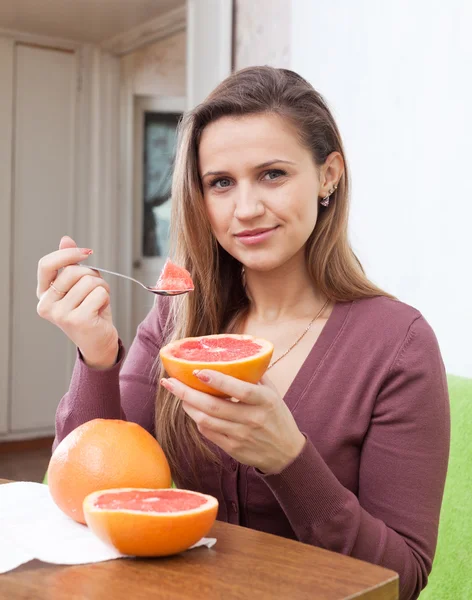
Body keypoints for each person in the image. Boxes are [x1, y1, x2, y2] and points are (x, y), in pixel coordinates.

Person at [36, 67, 449, 600]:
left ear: (329, 175)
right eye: (221, 183)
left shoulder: (399, 344)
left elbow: (404, 579)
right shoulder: (174, 319)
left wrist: (288, 460)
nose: (246, 209)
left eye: (273, 174)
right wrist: (95, 354)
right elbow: (89, 488)